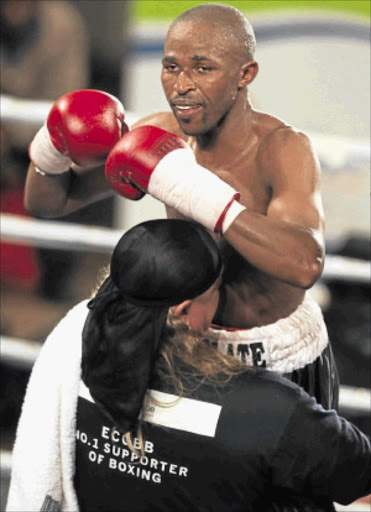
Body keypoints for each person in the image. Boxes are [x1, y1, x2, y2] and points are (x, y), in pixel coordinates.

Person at [23, 4, 338, 410]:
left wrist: (194, 190)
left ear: (245, 74)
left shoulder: (282, 149)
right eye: (171, 67)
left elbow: (305, 264)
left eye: (202, 68)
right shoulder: (158, 136)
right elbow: (50, 201)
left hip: (275, 355)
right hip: (188, 347)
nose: (181, 86)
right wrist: (50, 149)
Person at [6, 219, 371, 512]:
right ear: (183, 310)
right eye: (217, 295)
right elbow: (360, 473)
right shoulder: (268, 408)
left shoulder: (74, 364)